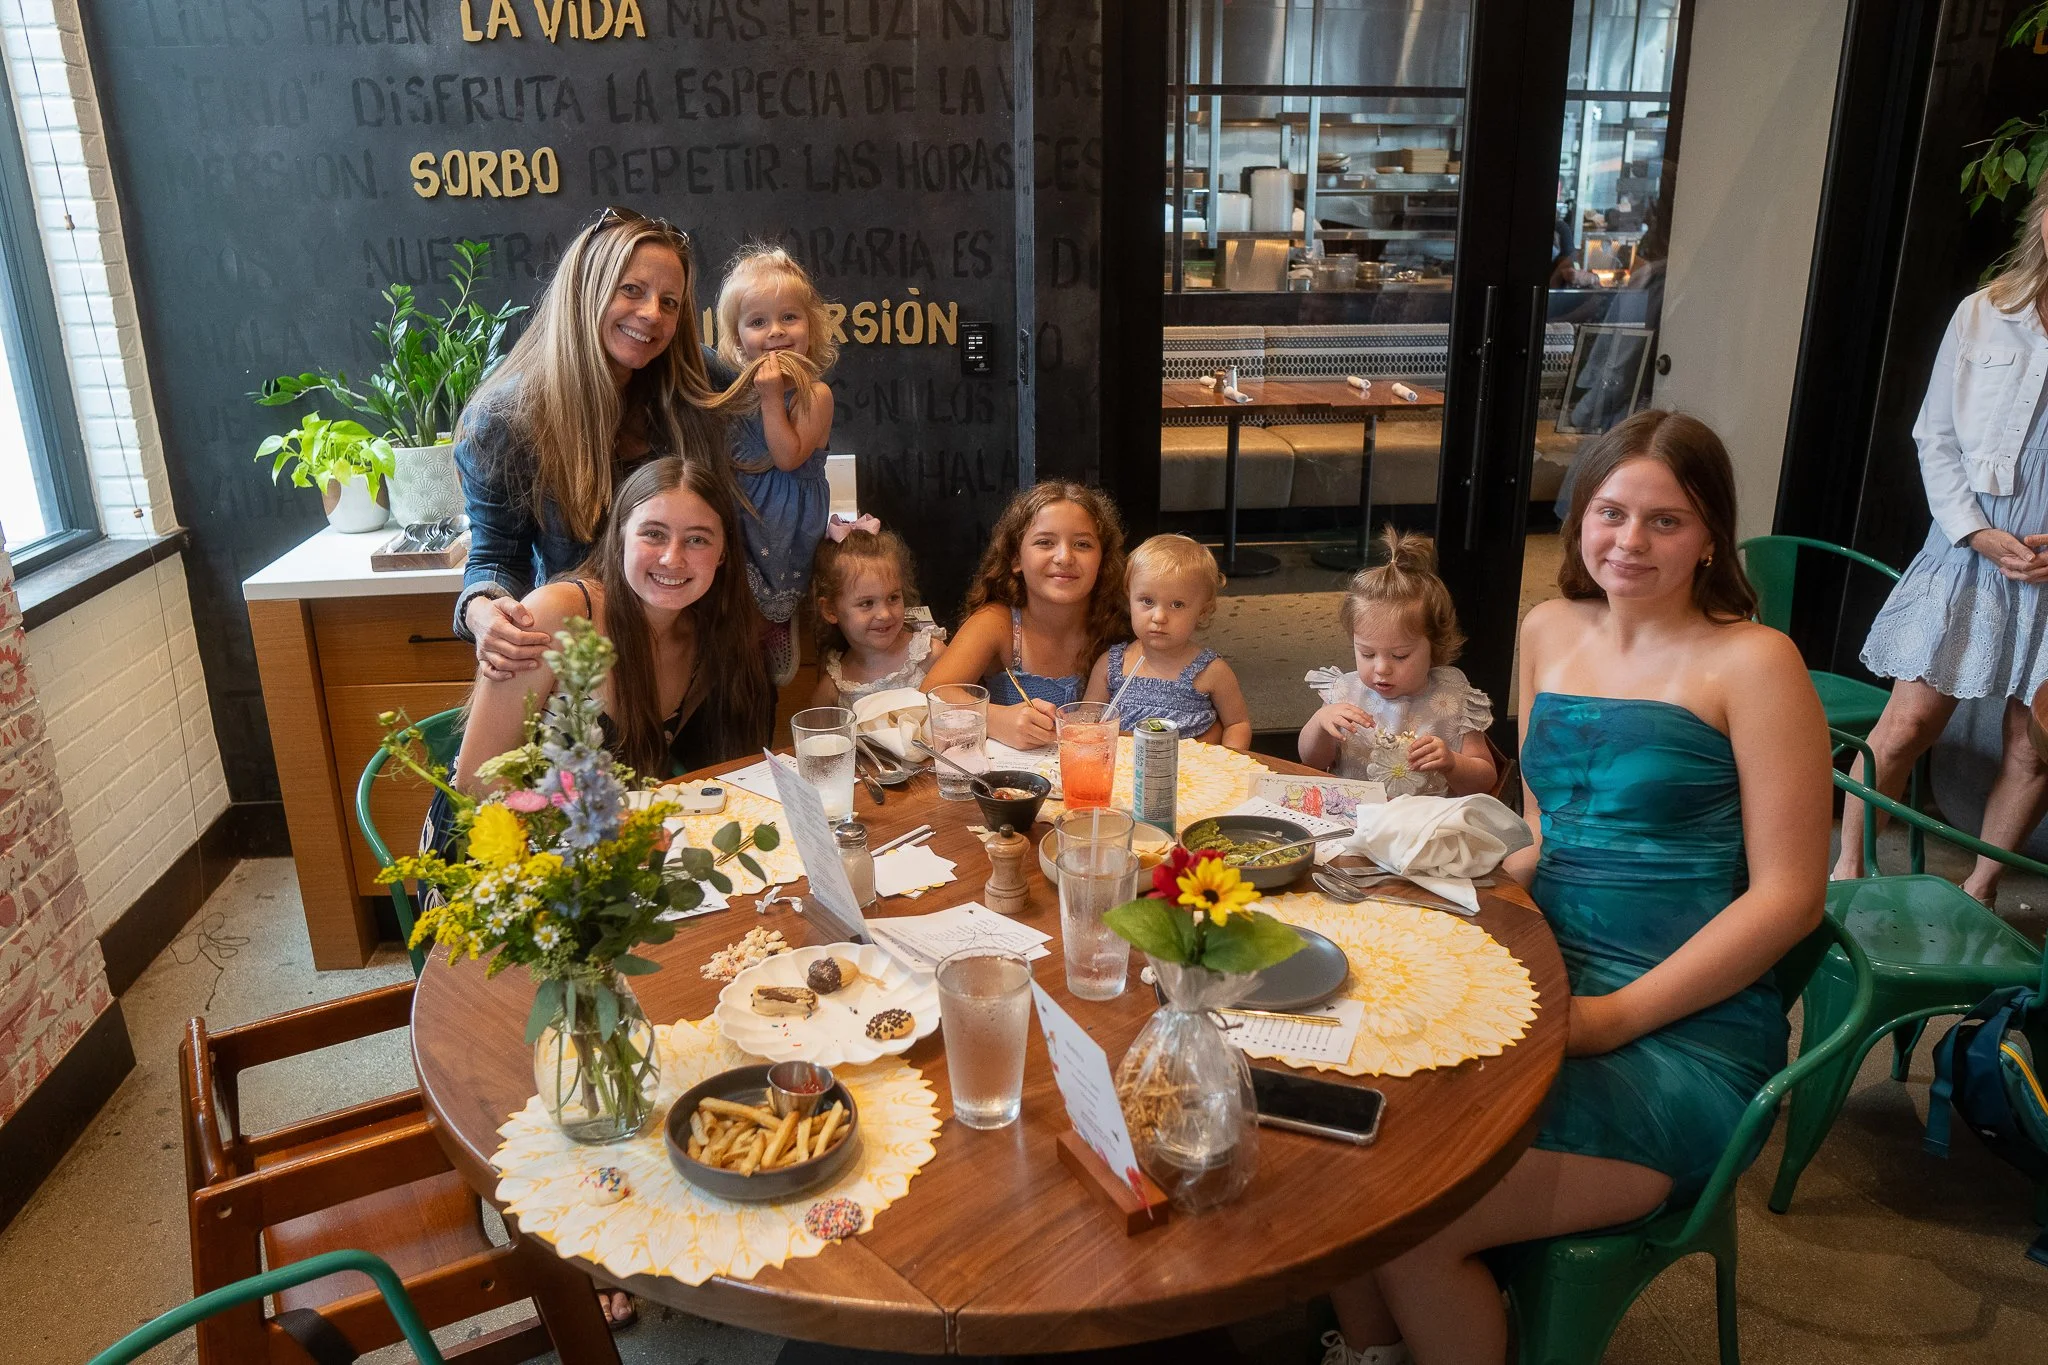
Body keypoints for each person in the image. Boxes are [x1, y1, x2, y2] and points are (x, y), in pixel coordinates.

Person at [1320, 411, 1830, 1365]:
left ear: (1712, 533)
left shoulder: (1756, 661)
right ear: (1579, 517)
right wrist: (1442, 896)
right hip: (1546, 965)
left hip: (1677, 1023)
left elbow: (1791, 897)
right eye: (1610, 512)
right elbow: (1544, 830)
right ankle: (1372, 1346)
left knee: (1412, 1210)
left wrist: (1611, 1017)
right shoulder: (1550, 627)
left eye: (1666, 521)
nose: (1630, 542)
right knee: (1337, 1095)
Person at [1837, 188, 2048, 903]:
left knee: (2034, 745)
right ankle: (1848, 876)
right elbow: (1935, 435)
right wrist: (1979, 532)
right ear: (2041, 215)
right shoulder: (1985, 312)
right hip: (1967, 551)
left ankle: (1980, 893)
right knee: (1906, 725)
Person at [451, 205, 734, 682]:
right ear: (586, 292)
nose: (651, 315)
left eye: (670, 302)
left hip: (699, 654)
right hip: (585, 668)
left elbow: (788, 411)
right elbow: (496, 556)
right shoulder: (504, 420)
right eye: (632, 290)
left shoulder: (696, 379)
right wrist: (482, 611)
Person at [441, 453, 773, 811]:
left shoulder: (706, 645)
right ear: (620, 537)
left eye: (697, 540)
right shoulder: (555, 615)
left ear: (723, 553)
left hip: (609, 843)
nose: (672, 559)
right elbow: (476, 782)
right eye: (654, 534)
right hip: (494, 836)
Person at [921, 482, 1130, 750]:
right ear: (1015, 559)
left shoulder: (1122, 624)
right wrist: (995, 719)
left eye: (1082, 544)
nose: (1064, 557)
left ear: (1103, 559)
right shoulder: (996, 622)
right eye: (1045, 542)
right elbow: (931, 695)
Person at [715, 244, 839, 686]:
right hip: (741, 505)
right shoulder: (734, 392)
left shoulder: (815, 395)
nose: (776, 332)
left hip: (785, 516)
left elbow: (788, 457)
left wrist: (771, 397)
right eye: (757, 322)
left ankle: (777, 622)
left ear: (812, 327)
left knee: (772, 582)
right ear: (737, 339)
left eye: (789, 317)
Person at [1298, 528, 1496, 798]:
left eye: (1400, 655)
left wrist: (1453, 762)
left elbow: (1484, 779)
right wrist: (1321, 723)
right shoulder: (1346, 692)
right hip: (1355, 819)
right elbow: (1312, 762)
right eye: (1367, 654)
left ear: (1434, 647)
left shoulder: (1454, 698)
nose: (1381, 668)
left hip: (1426, 827)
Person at [1080, 534, 1251, 749]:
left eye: (1177, 605)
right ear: (1129, 598)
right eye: (1147, 601)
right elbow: (1085, 722)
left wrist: (1227, 763)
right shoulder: (1111, 665)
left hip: (1190, 776)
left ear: (1203, 611)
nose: (1159, 617)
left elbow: (1237, 724)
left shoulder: (1212, 671)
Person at [807, 525, 949, 707]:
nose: (884, 614)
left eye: (893, 598)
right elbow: (820, 735)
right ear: (830, 610)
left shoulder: (930, 656)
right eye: (866, 603)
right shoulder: (834, 688)